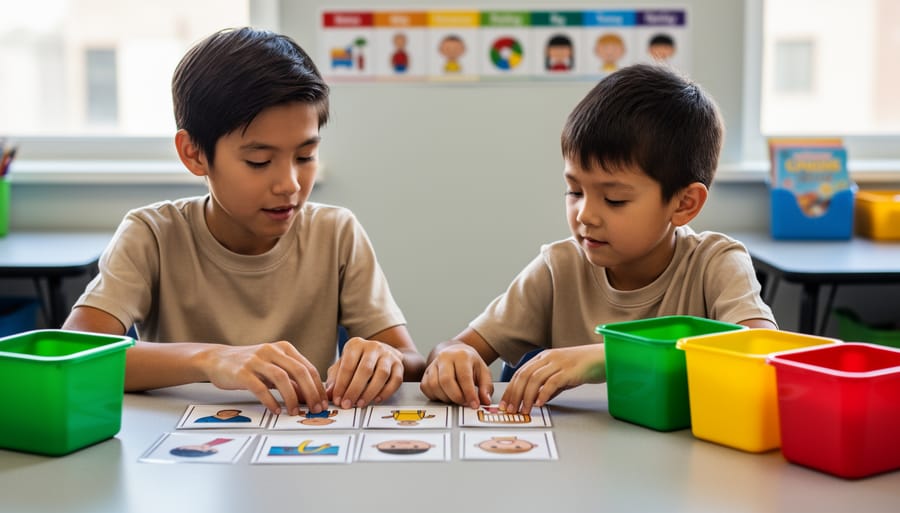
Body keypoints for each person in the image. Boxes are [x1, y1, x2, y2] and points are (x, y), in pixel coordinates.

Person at [63, 27, 425, 417]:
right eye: (259, 161)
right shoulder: (152, 234)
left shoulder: (336, 232)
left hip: (302, 445)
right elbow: (78, 352)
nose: (289, 185)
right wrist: (210, 360)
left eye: (304, 157)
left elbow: (411, 359)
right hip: (186, 455)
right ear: (194, 154)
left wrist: (384, 359)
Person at [420, 64, 777, 413]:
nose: (585, 215)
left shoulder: (716, 263)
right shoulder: (558, 269)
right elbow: (454, 348)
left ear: (684, 204)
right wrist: (452, 357)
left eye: (614, 199)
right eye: (574, 191)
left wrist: (607, 356)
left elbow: (760, 352)